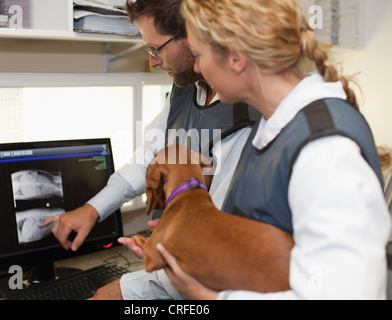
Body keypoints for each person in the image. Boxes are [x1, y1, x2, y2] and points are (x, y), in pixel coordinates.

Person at [156, 0, 391, 300]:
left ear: (236, 58)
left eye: (199, 55)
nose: (197, 67)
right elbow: (265, 233)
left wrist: (212, 299)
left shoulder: (324, 149)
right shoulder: (274, 128)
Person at [43, 0, 258, 300]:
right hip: (171, 259)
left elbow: (220, 231)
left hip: (209, 279)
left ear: (191, 36)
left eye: (156, 48)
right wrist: (93, 210)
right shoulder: (185, 90)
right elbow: (147, 157)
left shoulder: (249, 116)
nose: (153, 61)